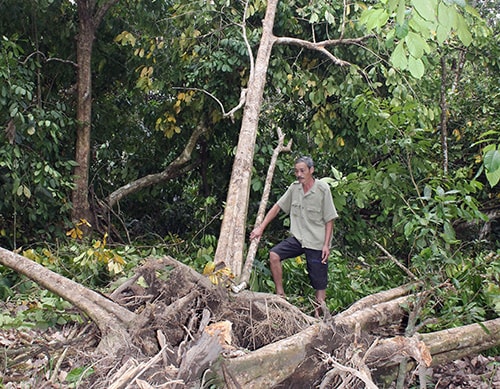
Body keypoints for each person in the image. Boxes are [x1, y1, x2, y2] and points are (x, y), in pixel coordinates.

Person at [250, 156, 338, 317]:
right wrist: (260, 228)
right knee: (274, 255)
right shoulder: (294, 188)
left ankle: (318, 318)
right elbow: (277, 207)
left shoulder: (322, 189)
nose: (299, 174)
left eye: (302, 170)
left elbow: (329, 219)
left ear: (311, 170)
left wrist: (326, 245)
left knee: (319, 284)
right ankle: (280, 295)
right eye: (296, 171)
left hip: (317, 242)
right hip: (299, 238)